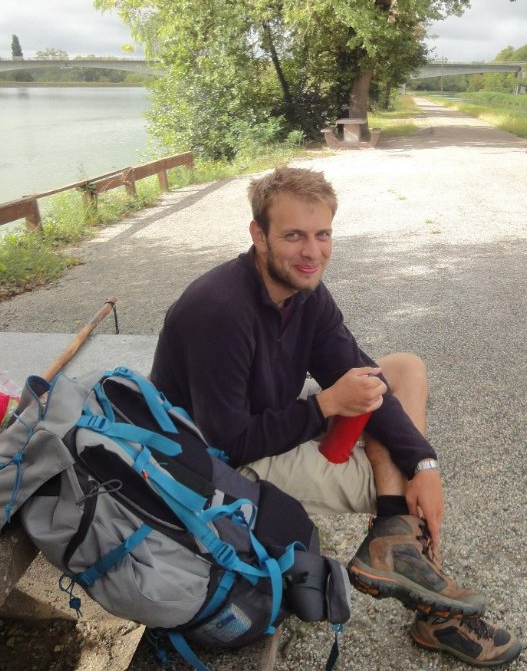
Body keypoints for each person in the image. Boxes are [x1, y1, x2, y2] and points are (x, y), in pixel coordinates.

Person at [150, 166, 521, 667]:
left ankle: (393, 534)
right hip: (214, 463)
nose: (312, 252)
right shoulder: (219, 309)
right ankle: (435, 611)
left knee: (404, 370)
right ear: (259, 235)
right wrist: (325, 406)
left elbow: (363, 374)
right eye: (294, 236)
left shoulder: (306, 295)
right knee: (391, 480)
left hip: (269, 422)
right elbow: (229, 440)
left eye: (322, 234)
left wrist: (425, 463)